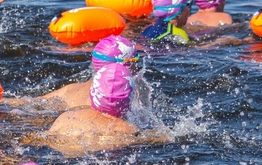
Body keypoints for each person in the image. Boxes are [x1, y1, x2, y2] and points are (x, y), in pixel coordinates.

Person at [29, 62, 171, 157]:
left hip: (57, 157)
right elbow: (160, 138)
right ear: (131, 98)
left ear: (92, 93)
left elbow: (37, 139)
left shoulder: (65, 118)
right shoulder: (129, 130)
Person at [2, 35, 140, 111]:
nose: (137, 64)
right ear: (125, 66)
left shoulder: (70, 90)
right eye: (135, 59)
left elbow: (29, 102)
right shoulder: (126, 97)